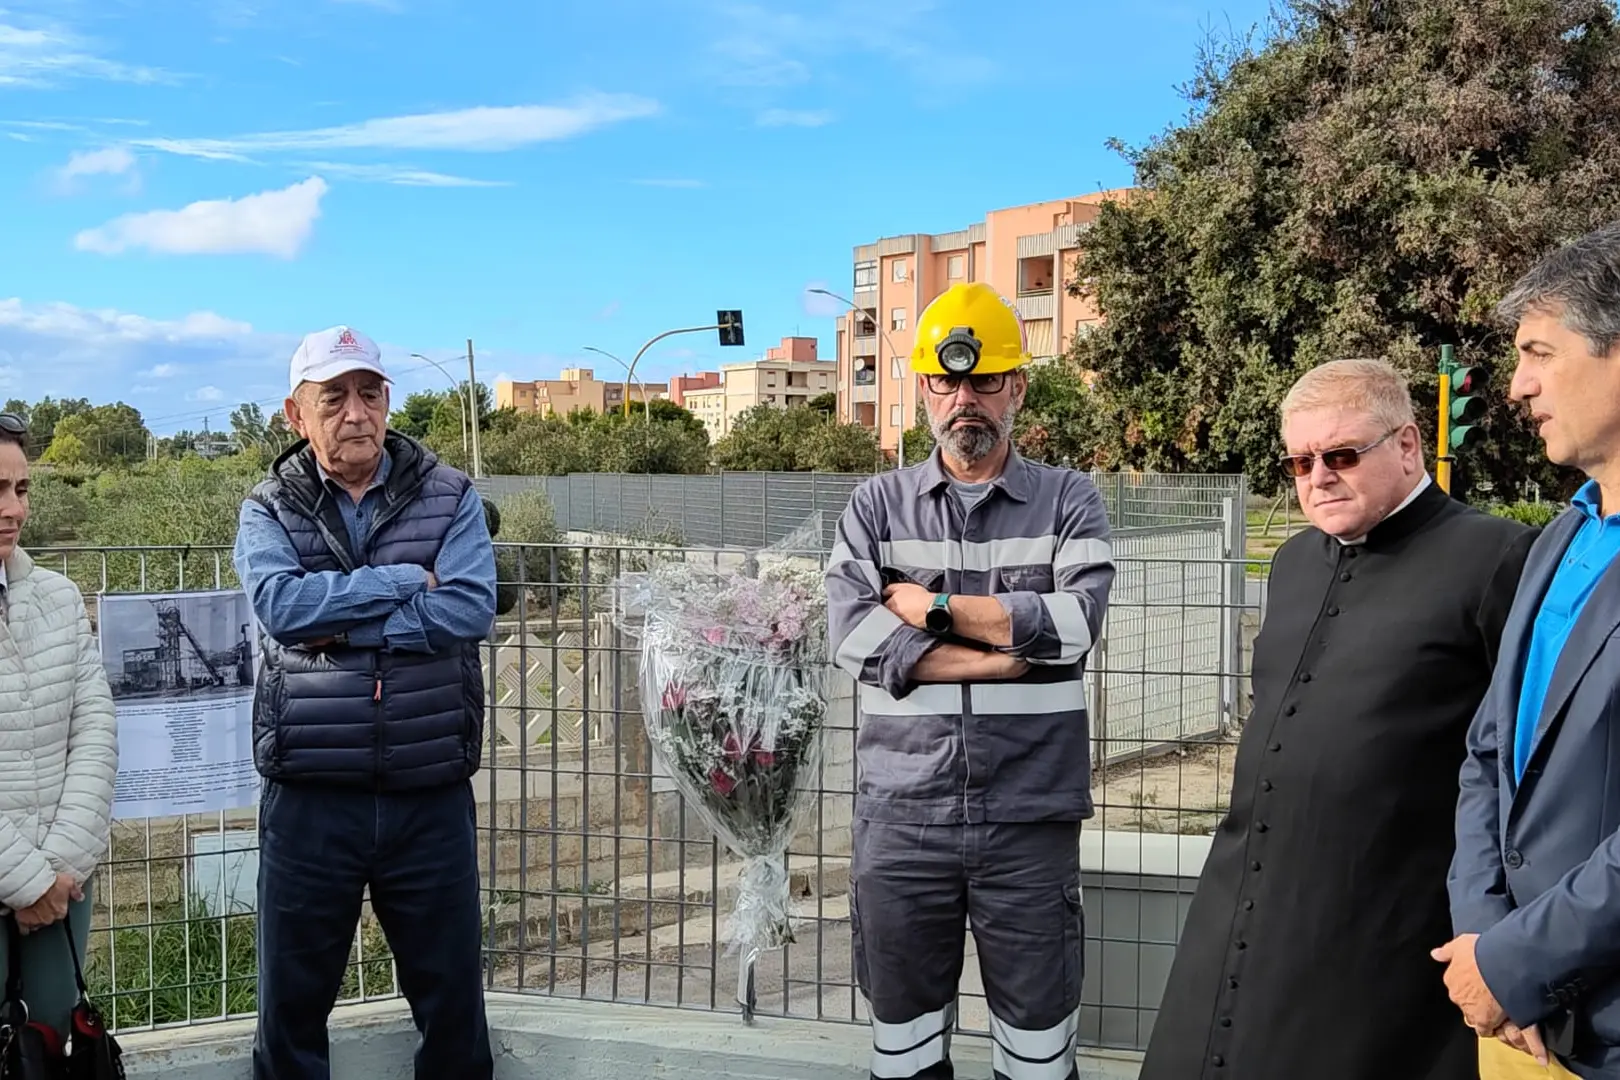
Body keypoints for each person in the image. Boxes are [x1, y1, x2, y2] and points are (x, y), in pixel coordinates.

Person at [1139, 358, 1536, 1080]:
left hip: (1387, 928)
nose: (1317, 476)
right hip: (1240, 906)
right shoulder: (1294, 562)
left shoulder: (1498, 558)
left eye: (1342, 455)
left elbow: (1526, 762)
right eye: (1299, 461)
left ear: (1409, 445)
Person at [825, 282, 1115, 1080]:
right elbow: (854, 639)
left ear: (1017, 387)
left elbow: (1079, 625)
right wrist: (1005, 648)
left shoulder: (1069, 500)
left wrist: (932, 610)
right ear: (923, 389)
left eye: (986, 380)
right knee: (906, 1045)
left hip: (1029, 817)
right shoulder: (875, 506)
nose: (966, 399)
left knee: (1037, 1051)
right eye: (948, 382)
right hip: (903, 816)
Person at [233, 326, 497, 1080]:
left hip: (429, 793)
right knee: (291, 1012)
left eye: (370, 393)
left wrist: (340, 623)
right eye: (334, 396)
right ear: (296, 414)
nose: (356, 412)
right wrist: (404, 581)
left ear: (388, 401)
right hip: (311, 797)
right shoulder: (268, 508)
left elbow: (471, 608)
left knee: (452, 1006)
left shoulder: (451, 494)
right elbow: (283, 609)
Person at [1443, 223, 1620, 1079]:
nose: (1516, 386)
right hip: (1520, 1021)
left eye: (1539, 353)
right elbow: (1489, 753)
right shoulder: (1560, 538)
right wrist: (1482, 939)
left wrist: (1518, 965)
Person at [0, 412, 119, 1039]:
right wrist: (26, 878)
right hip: (31, 876)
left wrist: (58, 866)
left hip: (62, 880)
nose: (13, 508)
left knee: (50, 1046)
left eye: (21, 489)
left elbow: (95, 727)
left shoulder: (59, 597)